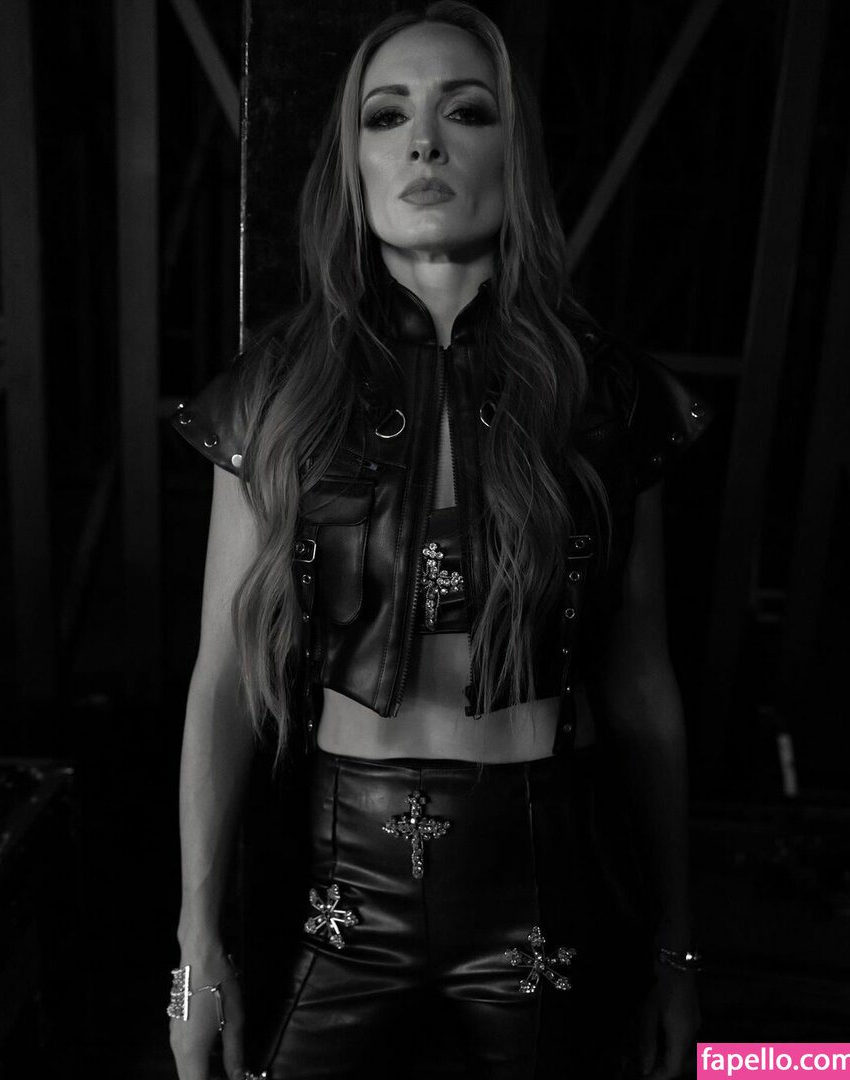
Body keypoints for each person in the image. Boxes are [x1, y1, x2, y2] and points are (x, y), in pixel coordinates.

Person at [168, 3, 711, 1078]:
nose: (423, 142)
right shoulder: (277, 390)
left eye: (465, 111)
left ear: (516, 154)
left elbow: (643, 687)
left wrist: (678, 948)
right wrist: (197, 946)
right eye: (387, 116)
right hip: (335, 883)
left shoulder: (606, 394)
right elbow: (221, 678)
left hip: (545, 878)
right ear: (355, 162)